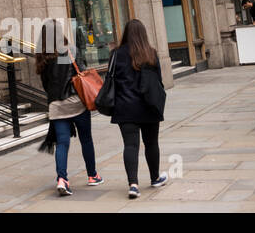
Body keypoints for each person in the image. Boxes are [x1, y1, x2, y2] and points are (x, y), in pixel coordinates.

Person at [34, 19, 101, 196]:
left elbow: (46, 85)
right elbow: (82, 70)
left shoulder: (42, 57)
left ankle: (62, 179)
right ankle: (92, 175)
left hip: (56, 106)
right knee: (86, 139)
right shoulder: (71, 50)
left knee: (62, 144)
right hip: (76, 103)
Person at [109, 19, 168, 199]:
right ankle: (155, 177)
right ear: (144, 34)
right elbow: (159, 81)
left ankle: (133, 185)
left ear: (125, 34)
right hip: (148, 106)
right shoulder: (150, 53)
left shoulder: (116, 54)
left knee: (130, 145)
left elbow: (112, 80)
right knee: (151, 143)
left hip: (125, 108)